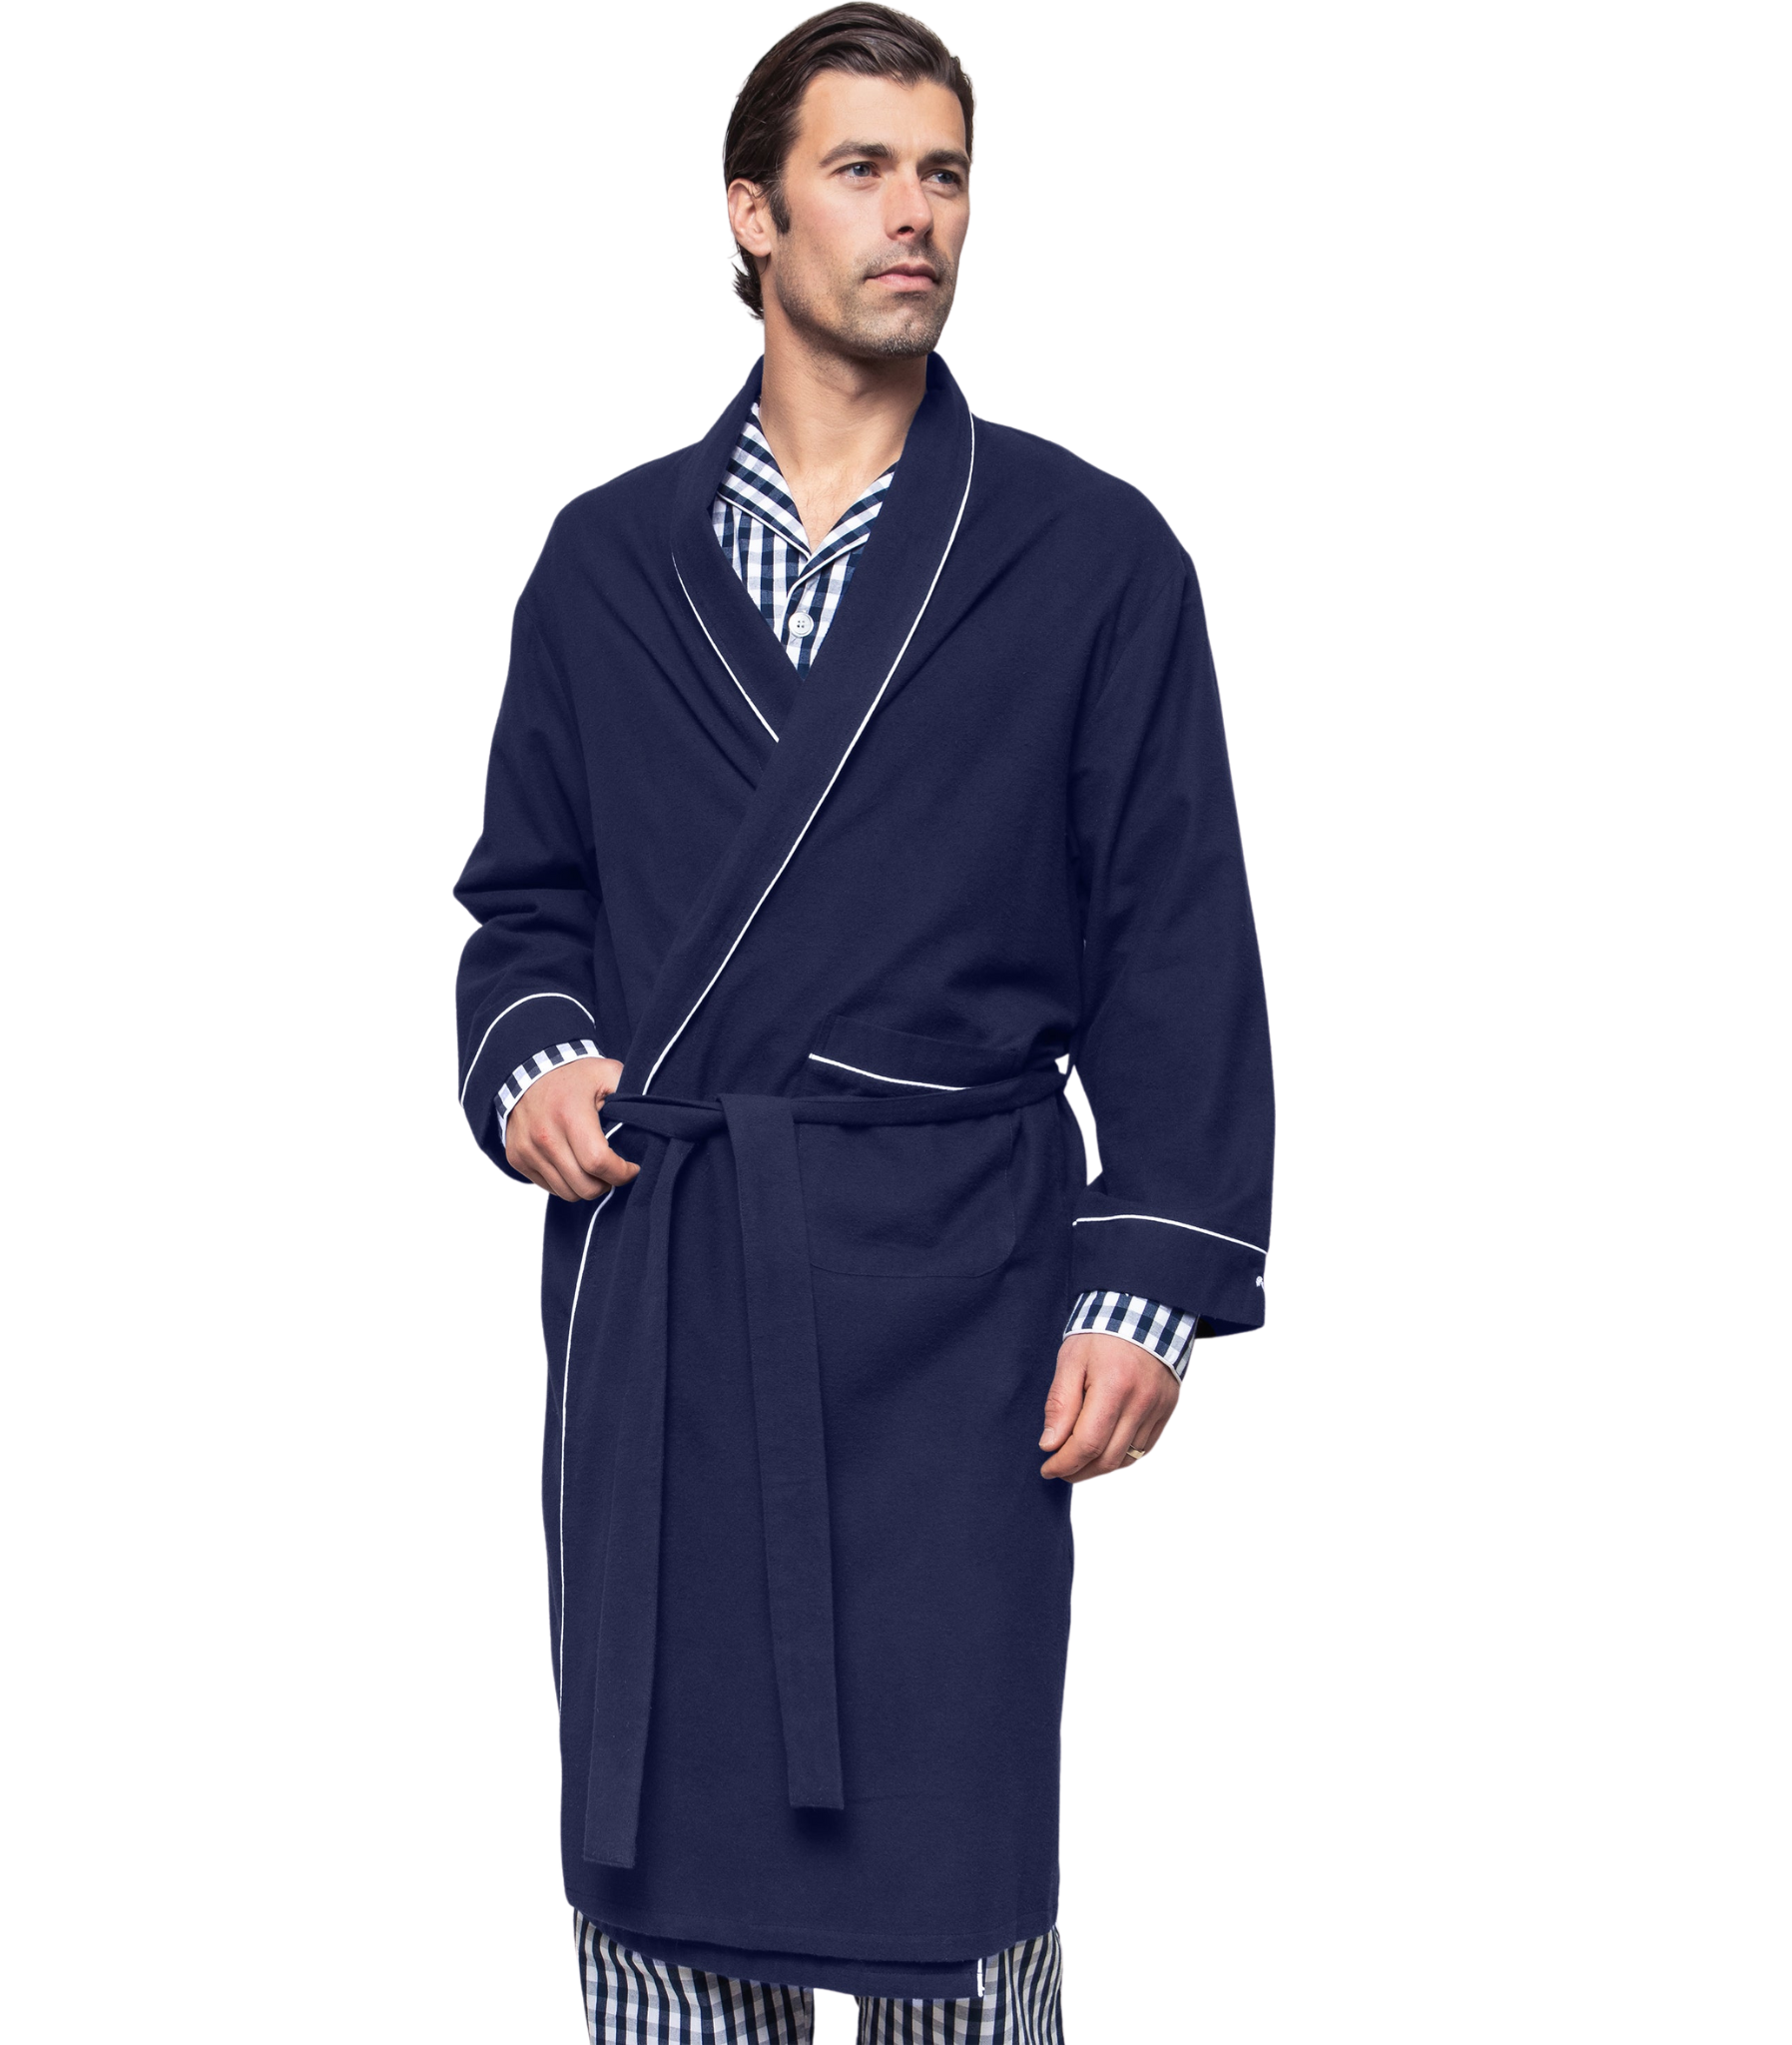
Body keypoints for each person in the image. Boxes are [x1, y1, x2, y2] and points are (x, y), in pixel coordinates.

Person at [452, 6, 1274, 2035]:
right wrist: (536, 1050)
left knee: (959, 1897)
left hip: (955, 1310)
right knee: (661, 1884)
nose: (917, 215)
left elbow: (1175, 945)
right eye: (862, 169)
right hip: (674, 1311)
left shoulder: (1087, 558)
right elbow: (527, 903)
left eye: (946, 174)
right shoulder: (605, 564)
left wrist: (1145, 1282)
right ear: (752, 213)